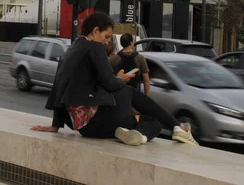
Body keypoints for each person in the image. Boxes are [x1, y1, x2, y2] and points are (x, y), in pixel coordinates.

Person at [31, 12, 197, 146]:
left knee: (145, 117)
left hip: (85, 128)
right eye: (107, 36)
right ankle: (175, 127)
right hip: (98, 120)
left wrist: (56, 125)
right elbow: (110, 84)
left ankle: (141, 133)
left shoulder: (72, 49)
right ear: (95, 31)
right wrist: (121, 78)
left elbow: (60, 85)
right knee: (146, 109)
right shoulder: (94, 47)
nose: (107, 42)